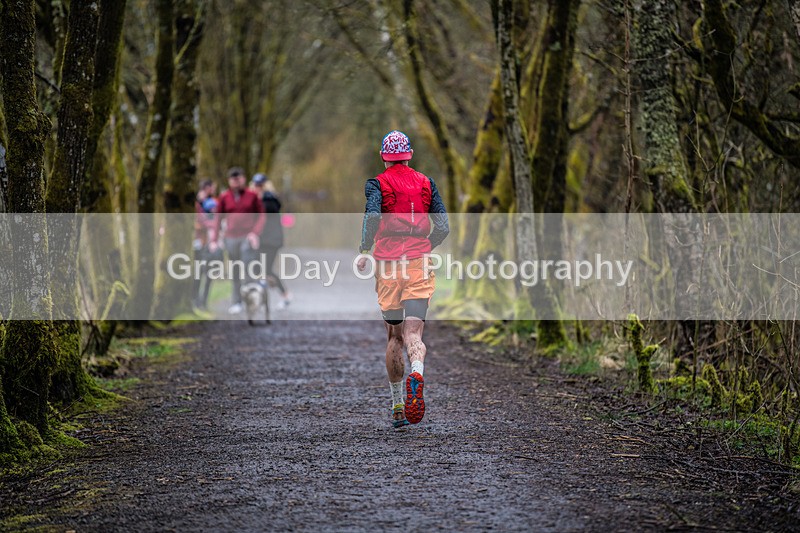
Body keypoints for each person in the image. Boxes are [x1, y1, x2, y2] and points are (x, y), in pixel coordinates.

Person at [357, 130, 449, 428]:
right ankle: (418, 372)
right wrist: (425, 246)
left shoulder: (377, 184)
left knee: (394, 336)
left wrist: (364, 248)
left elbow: (372, 218)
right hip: (419, 264)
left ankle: (398, 406)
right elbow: (443, 225)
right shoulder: (426, 182)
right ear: (409, 154)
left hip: (388, 266)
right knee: (414, 336)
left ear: (384, 157)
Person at [209, 167, 266, 314]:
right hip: (230, 237)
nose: (236, 182)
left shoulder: (252, 196)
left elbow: (261, 216)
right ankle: (236, 301)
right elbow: (218, 219)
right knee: (235, 270)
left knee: (248, 266)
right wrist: (215, 239)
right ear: (229, 181)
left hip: (247, 236)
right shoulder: (224, 198)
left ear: (244, 179)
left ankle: (252, 299)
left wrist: (255, 233)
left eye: (238, 179)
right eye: (233, 179)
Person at [252, 173, 291, 309]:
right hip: (260, 240)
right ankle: (268, 296)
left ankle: (284, 295)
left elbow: (270, 210)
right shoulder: (255, 200)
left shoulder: (270, 200)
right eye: (256, 185)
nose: (257, 188)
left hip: (271, 240)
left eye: (260, 185)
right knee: (259, 269)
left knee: (266, 269)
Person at [192, 180, 219, 310]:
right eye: (213, 188)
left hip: (209, 243)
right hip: (199, 243)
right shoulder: (196, 204)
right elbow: (198, 222)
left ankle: (203, 301)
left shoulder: (213, 203)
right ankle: (195, 300)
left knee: (209, 273)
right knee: (197, 273)